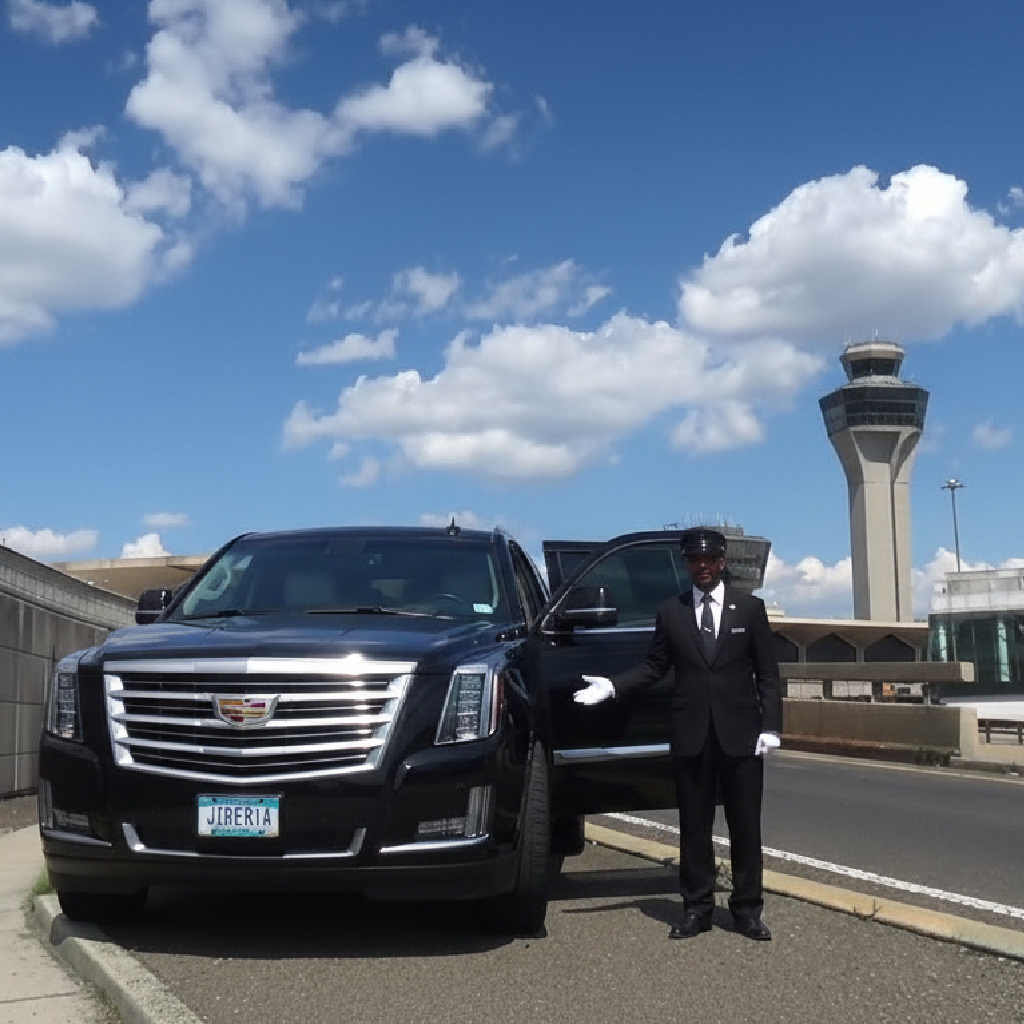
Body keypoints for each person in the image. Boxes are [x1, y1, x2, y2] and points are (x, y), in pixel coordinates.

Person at [574, 527, 782, 941]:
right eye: (694, 561)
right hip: (691, 734)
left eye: (709, 560)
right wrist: (613, 686)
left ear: (722, 562)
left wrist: (771, 725)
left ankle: (747, 909)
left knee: (746, 826)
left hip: (741, 734)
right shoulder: (671, 611)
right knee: (694, 826)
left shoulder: (750, 610)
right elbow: (655, 667)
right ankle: (696, 908)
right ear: (687, 564)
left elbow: (769, 676)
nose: (702, 568)